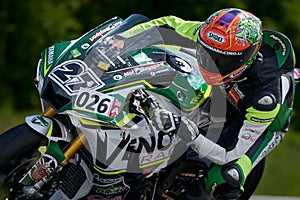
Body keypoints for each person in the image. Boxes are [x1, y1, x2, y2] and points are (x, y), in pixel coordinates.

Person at [129, 8, 296, 199]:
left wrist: (181, 128)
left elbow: (227, 151)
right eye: (206, 52)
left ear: (247, 56)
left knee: (227, 177)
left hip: (260, 126)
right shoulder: (212, 36)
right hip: (222, 96)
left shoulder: (265, 94)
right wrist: (119, 41)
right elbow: (166, 24)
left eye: (223, 60)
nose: (210, 64)